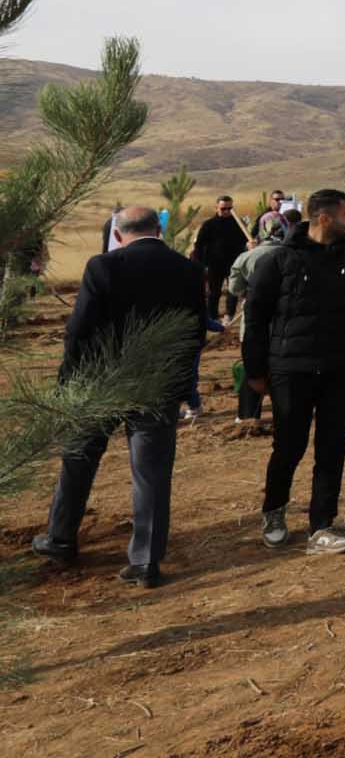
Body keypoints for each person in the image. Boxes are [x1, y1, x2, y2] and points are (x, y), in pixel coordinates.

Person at [32, 206, 205, 588]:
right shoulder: (189, 270)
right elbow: (193, 334)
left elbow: (78, 331)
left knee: (78, 458)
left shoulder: (104, 267)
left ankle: (60, 540)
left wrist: (68, 382)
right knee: (152, 472)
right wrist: (184, 387)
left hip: (101, 381)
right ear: (158, 229)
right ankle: (145, 562)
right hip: (157, 385)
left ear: (119, 234)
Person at [244, 189, 345, 555]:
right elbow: (255, 319)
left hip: (339, 368)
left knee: (332, 448)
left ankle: (322, 526)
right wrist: (255, 372)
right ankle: (274, 512)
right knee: (289, 447)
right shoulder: (278, 261)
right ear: (324, 217)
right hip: (290, 369)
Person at [226, 210, 296, 421]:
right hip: (287, 320)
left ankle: (248, 415)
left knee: (252, 365)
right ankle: (287, 412)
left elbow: (234, 288)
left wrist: (251, 291)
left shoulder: (246, 257)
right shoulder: (295, 255)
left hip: (255, 319)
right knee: (284, 366)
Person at [190, 195, 250, 322]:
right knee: (214, 293)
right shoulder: (209, 225)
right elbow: (199, 246)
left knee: (233, 291)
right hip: (214, 264)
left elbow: (246, 242)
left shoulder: (238, 223)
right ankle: (213, 317)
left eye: (230, 208)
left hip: (234, 263)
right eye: (224, 209)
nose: (227, 211)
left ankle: (229, 315)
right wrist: (202, 264)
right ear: (216, 208)